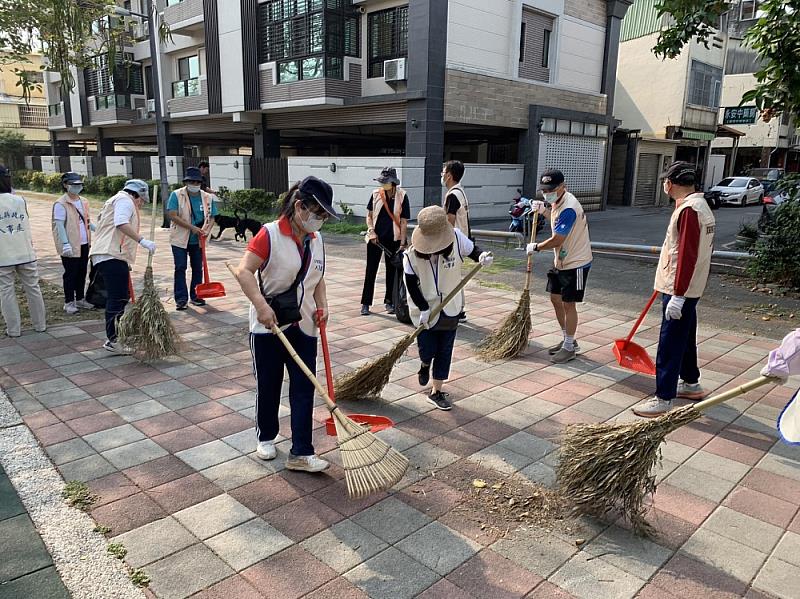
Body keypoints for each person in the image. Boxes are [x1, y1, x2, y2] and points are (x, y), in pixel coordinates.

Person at [232, 176, 338, 473]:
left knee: (304, 386)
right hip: (269, 325)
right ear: (300, 206)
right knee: (269, 384)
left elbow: (318, 278)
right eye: (317, 213)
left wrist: (323, 305)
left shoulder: (317, 240)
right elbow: (244, 272)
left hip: (304, 325)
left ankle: (301, 452)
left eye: (324, 216)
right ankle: (266, 436)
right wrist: (261, 307)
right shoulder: (269, 234)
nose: (320, 220)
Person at [633, 162, 716, 417]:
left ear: (671, 183)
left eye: (665, 180)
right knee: (685, 336)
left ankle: (663, 397)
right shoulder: (700, 206)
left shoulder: (690, 211)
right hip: (690, 287)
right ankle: (691, 383)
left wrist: (677, 295)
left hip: (681, 289)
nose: (664, 184)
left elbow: (686, 255)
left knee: (669, 342)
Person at [404, 206, 492, 410]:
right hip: (424, 310)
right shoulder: (410, 256)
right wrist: (423, 308)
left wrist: (482, 257)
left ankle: (436, 391)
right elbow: (410, 284)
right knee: (427, 349)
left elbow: (474, 251)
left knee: (445, 349)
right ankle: (425, 364)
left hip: (451, 307)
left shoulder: (456, 238)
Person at [526, 169, 593, 364]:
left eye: (551, 189)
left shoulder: (569, 207)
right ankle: (567, 339)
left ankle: (570, 347)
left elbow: (558, 239)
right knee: (555, 298)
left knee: (568, 303)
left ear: (563, 186)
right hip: (562, 261)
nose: (547, 193)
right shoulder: (557, 202)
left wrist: (536, 247)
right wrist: (544, 210)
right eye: (544, 190)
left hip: (576, 263)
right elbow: (556, 220)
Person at [89, 179, 157, 354]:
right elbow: (121, 222)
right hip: (110, 254)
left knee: (120, 296)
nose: (141, 205)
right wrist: (142, 240)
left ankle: (117, 335)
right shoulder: (125, 201)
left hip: (108, 254)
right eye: (142, 201)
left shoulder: (114, 200)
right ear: (137, 195)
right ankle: (113, 340)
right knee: (117, 297)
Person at [0, 166, 46, 337]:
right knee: (33, 288)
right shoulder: (20, 200)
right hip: (25, 251)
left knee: (6, 290)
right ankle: (40, 324)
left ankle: (13, 329)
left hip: (3, 255)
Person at [167, 167, 218, 310]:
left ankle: (196, 296)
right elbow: (172, 215)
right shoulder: (177, 195)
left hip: (199, 239)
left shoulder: (207, 197)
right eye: (191, 181)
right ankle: (181, 299)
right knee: (180, 267)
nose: (194, 184)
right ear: (186, 182)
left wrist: (207, 229)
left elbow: (212, 216)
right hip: (180, 238)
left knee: (197, 268)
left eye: (197, 182)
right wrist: (192, 228)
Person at [361, 167, 410, 316]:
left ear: (393, 182)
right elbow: (369, 216)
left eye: (386, 182)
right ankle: (365, 303)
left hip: (393, 239)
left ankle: (389, 301)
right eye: (382, 182)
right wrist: (371, 231)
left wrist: (402, 244)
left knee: (392, 271)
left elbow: (403, 222)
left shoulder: (402, 196)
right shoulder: (376, 194)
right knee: (371, 270)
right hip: (375, 239)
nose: (383, 185)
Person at [52, 172, 95, 315]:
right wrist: (65, 243)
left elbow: (87, 221)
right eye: (73, 185)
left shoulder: (84, 201)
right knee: (70, 273)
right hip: (70, 245)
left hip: (84, 243)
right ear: (65, 185)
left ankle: (81, 298)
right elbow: (59, 225)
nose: (77, 187)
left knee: (82, 271)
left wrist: (97, 230)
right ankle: (69, 302)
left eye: (79, 185)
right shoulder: (61, 203)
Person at [441, 160, 471, 321]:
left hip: (453, 242)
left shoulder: (452, 195)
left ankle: (458, 311)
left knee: (451, 277)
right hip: (462, 240)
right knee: (454, 276)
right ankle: (458, 310)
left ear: (449, 175)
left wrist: (443, 243)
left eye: (443, 172)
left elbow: (449, 221)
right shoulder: (461, 192)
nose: (442, 175)